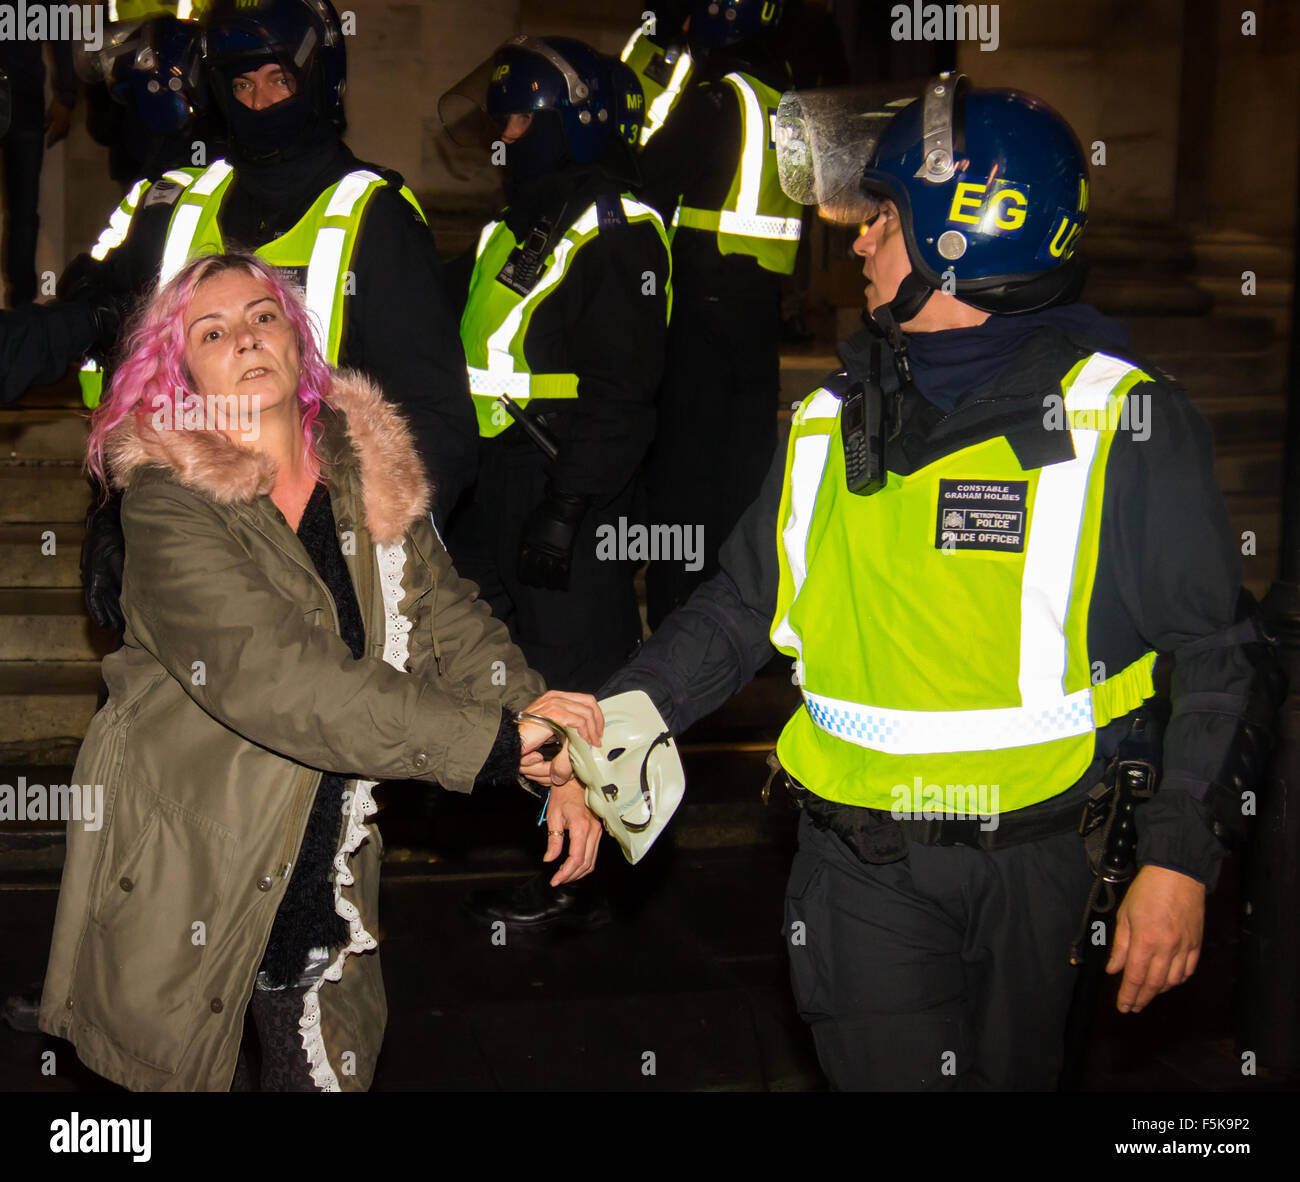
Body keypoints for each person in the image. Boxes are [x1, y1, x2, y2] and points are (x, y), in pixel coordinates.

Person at [576, 74, 1280, 1089]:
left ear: (962, 236)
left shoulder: (1121, 420)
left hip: (1049, 864)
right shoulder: (826, 422)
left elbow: (1219, 659)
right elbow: (738, 608)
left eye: (883, 219)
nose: (857, 241)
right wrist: (620, 712)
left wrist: (1178, 862)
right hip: (859, 867)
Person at [37, 250, 604, 1091]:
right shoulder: (166, 503)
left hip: (323, 866)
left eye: (264, 317)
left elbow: (448, 623)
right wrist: (496, 743)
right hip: (196, 858)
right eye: (214, 330)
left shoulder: (363, 471)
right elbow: (282, 682)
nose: (247, 339)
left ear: (298, 338)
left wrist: (554, 749)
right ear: (180, 368)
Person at [437, 36, 670, 930]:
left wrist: (571, 509)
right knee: (523, 677)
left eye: (523, 116)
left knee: (588, 682)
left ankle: (601, 883)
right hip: (500, 480)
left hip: (570, 483)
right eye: (501, 116)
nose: (504, 134)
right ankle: (558, 855)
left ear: (576, 125)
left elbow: (625, 395)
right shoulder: (516, 221)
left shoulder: (618, 227)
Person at [634, 0, 802, 626]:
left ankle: (685, 617)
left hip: (700, 310)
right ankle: (747, 614)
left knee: (687, 475)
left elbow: (649, 175)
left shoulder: (718, 96)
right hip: (759, 311)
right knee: (744, 471)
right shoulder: (784, 93)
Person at [0, 1, 77, 306]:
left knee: (25, 211)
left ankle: (21, 304)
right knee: (24, 212)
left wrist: (66, 96)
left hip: (24, 102)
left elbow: (59, 33)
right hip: (25, 99)